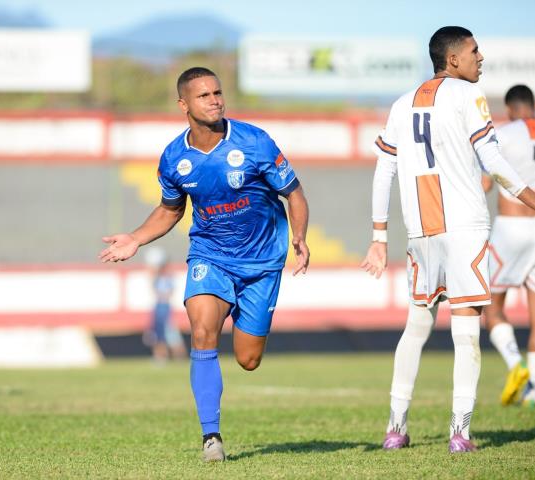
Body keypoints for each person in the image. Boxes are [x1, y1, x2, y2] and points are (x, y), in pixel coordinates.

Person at [99, 67, 310, 462]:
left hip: (262, 261)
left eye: (217, 92)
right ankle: (211, 438)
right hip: (210, 256)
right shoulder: (174, 158)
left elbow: (294, 194)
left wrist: (298, 235)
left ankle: (246, 330)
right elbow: (170, 210)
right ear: (184, 105)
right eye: (203, 95)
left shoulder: (255, 142)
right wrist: (136, 238)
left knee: (248, 359)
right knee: (201, 331)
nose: (214, 100)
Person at [361, 27, 535, 453]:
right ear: (453, 60)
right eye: (475, 51)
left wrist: (379, 236)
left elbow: (384, 171)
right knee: (465, 333)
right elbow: (492, 160)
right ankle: (460, 433)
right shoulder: (467, 96)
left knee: (416, 327)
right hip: (465, 228)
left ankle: (395, 429)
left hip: (421, 230)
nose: (482, 57)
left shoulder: (403, 104)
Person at [481, 85, 535, 408]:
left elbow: (486, 182)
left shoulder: (504, 133)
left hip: (510, 228)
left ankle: (517, 369)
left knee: (492, 308)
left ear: (511, 109)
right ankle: (534, 393)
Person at [143, 246, 187, 363]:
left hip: (165, 307)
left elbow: (168, 292)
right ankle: (160, 357)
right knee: (158, 333)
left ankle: (179, 357)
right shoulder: (157, 277)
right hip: (158, 306)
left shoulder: (168, 276)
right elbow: (153, 287)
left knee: (169, 332)